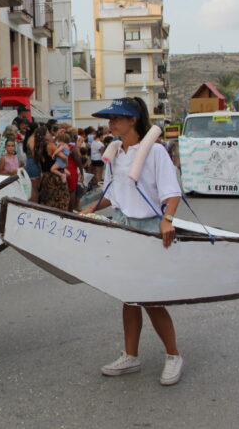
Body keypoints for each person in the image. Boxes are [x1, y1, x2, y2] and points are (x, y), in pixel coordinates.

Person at [82, 97, 184, 386]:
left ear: (133, 120)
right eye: (110, 119)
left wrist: (168, 219)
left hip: (147, 228)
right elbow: (113, 193)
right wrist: (92, 207)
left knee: (150, 298)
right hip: (122, 225)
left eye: (116, 118)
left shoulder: (156, 152)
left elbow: (171, 192)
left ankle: (174, 355)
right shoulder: (116, 152)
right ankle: (131, 355)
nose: (110, 123)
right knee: (127, 296)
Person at [25, 124, 44, 203]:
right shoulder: (32, 139)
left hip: (32, 162)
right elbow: (34, 153)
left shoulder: (32, 138)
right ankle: (34, 205)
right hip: (33, 163)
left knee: (35, 186)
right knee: (34, 187)